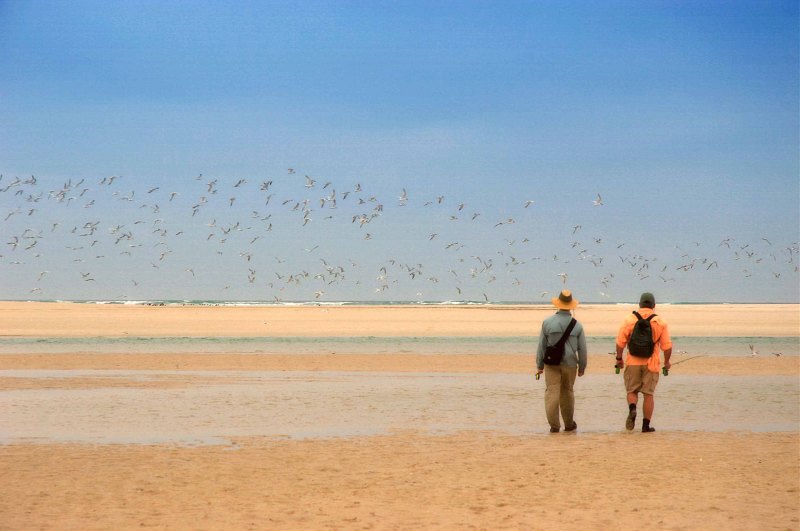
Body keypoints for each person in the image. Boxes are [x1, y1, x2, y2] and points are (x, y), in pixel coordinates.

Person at [615, 292, 672, 432]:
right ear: (654, 306)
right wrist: (667, 363)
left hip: (632, 362)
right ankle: (646, 426)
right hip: (651, 364)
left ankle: (632, 408)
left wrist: (618, 359)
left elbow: (620, 342)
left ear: (639, 304)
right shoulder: (660, 322)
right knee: (648, 394)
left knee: (631, 391)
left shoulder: (629, 320)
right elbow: (667, 346)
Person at [536, 289, 588, 433]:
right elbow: (582, 349)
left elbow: (542, 346)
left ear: (558, 304)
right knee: (567, 393)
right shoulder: (577, 325)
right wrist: (582, 366)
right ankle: (569, 424)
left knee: (552, 392)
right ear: (571, 305)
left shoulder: (547, 322)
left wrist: (539, 365)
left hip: (551, 364)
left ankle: (554, 426)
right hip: (570, 364)